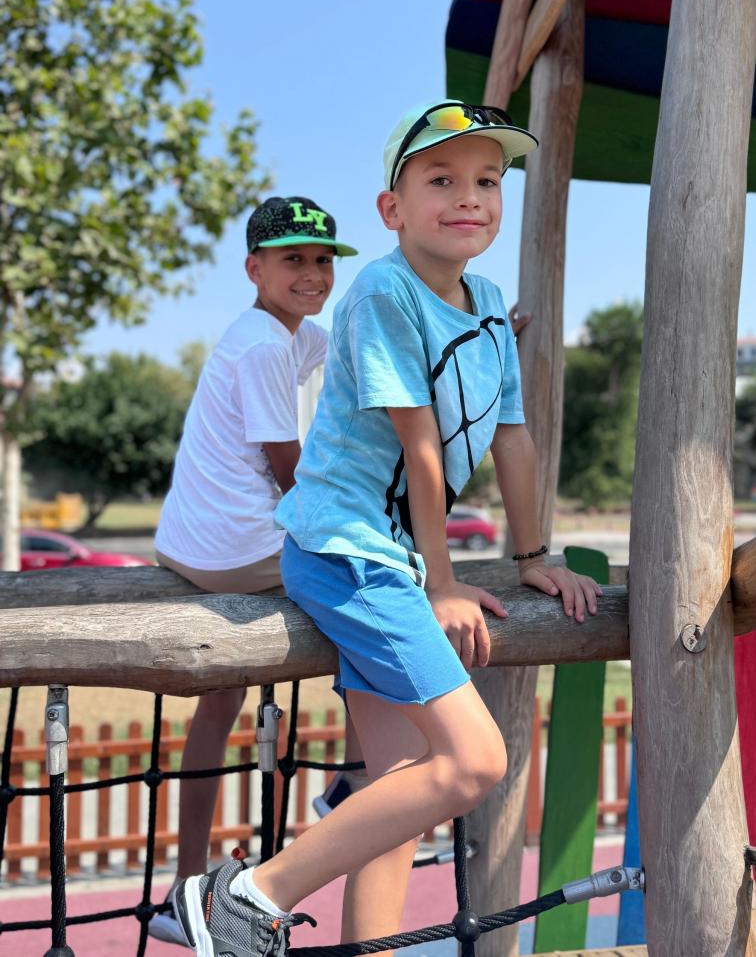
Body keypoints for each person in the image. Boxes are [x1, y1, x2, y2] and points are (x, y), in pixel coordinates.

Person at [173, 101, 602, 957]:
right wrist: (442, 581)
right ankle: (245, 895)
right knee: (474, 761)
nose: (469, 196)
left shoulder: (487, 303)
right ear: (392, 208)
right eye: (441, 178)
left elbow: (512, 435)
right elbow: (420, 443)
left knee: (403, 786)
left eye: (488, 180)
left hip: (391, 558)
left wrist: (532, 556)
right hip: (349, 553)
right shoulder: (381, 289)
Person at [149, 196, 360, 947]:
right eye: (293, 259)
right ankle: (354, 779)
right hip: (237, 548)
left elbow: (356, 345)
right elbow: (286, 469)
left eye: (323, 260)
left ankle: (183, 888)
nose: (313, 274)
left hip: (189, 543)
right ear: (254, 269)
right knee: (380, 584)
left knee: (221, 700)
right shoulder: (267, 346)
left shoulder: (283, 332)